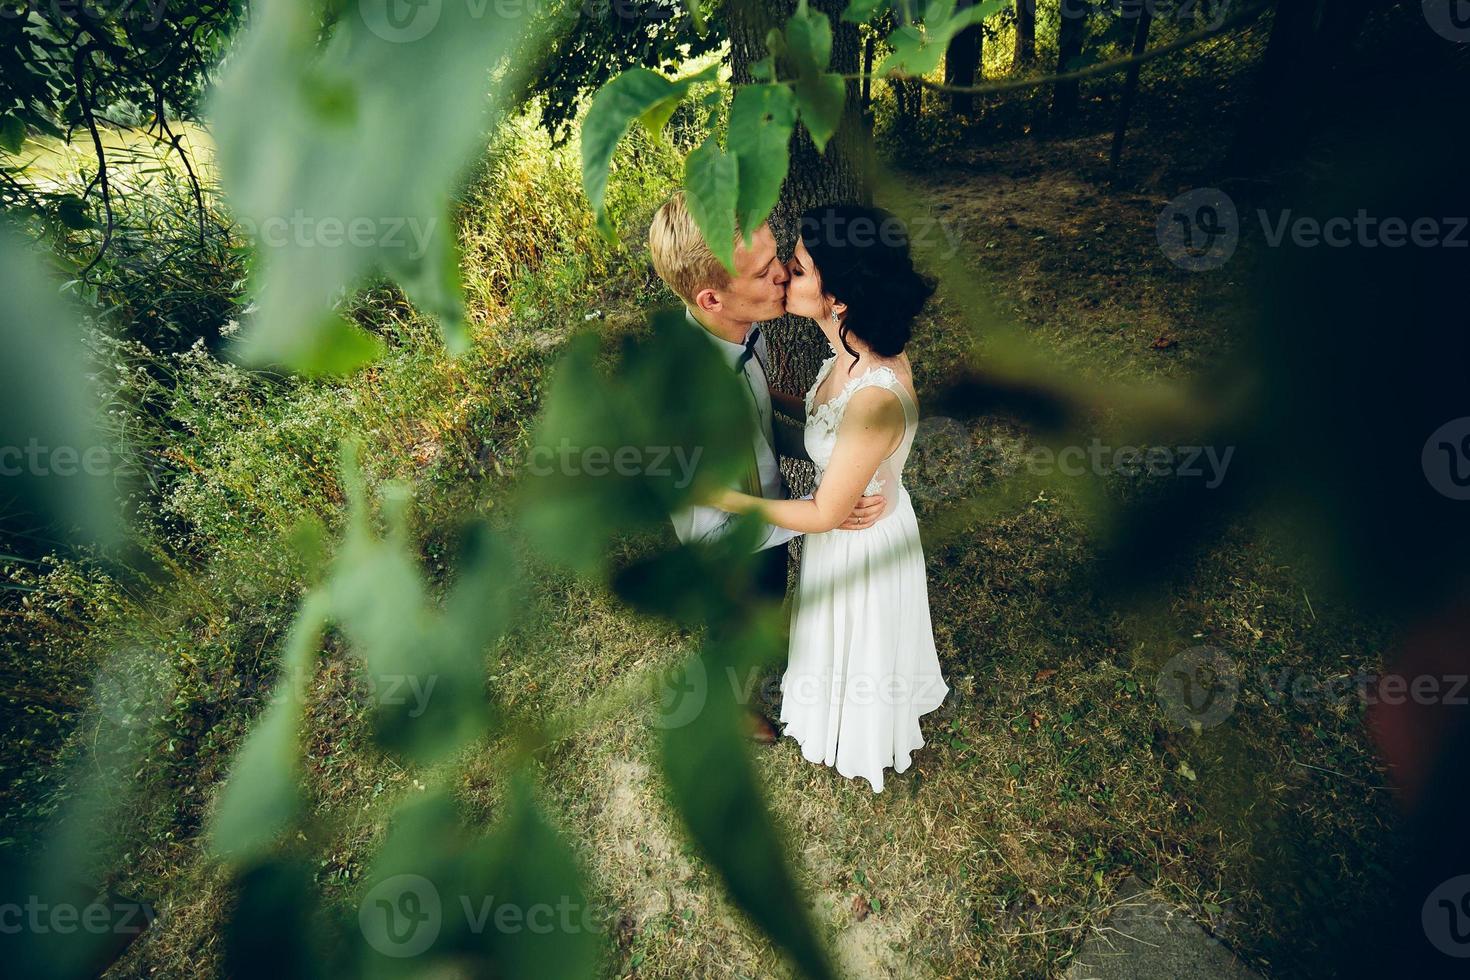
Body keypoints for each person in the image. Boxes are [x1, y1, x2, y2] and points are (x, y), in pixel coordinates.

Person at [710, 204, 949, 791]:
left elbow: (823, 513)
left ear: (837, 298)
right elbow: (821, 418)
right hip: (847, 531)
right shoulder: (847, 353)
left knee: (859, 645)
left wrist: (725, 498)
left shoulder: (874, 395)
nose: (783, 274)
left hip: (857, 542)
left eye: (799, 266)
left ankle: (862, 734)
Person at [646, 193, 885, 741]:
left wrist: (830, 443)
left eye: (777, 256)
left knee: (770, 597)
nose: (784, 275)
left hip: (765, 502)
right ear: (712, 297)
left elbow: (761, 413)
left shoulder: (742, 331)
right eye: (764, 272)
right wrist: (824, 513)